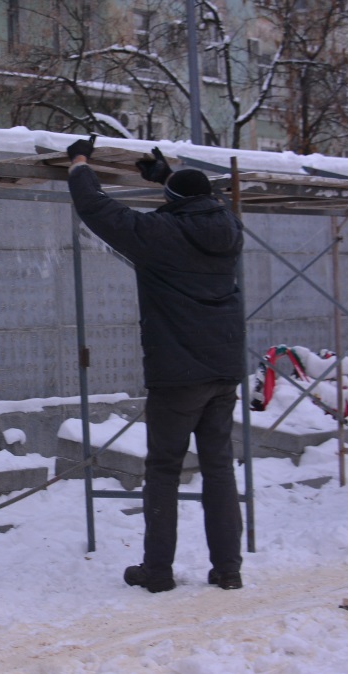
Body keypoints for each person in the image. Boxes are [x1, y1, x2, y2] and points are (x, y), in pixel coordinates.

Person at [65, 139, 246, 593]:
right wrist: (168, 178)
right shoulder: (230, 228)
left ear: (174, 202)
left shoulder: (161, 235)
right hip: (224, 369)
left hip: (178, 374)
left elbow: (97, 209)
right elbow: (205, 201)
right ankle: (228, 569)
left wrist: (80, 163)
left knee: (164, 469)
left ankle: (158, 571)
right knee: (219, 468)